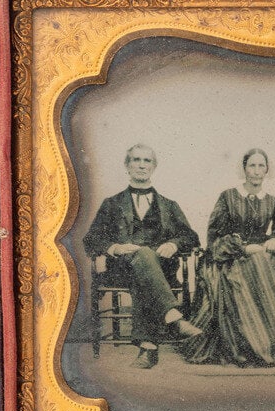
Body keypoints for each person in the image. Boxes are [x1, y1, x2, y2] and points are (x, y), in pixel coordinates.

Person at [181, 148, 275, 366]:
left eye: (261, 166)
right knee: (256, 266)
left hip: (262, 258)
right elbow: (214, 236)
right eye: (252, 166)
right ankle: (256, 347)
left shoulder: (272, 202)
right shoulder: (228, 197)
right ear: (244, 169)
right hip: (229, 259)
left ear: (267, 170)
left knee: (267, 265)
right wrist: (242, 248)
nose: (256, 171)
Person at [84, 143, 202, 369]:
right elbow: (91, 240)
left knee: (145, 261)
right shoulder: (112, 204)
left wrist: (173, 244)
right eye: (136, 160)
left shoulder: (169, 205)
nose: (141, 165)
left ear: (154, 166)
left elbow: (191, 237)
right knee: (143, 262)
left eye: (147, 161)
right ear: (127, 166)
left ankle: (149, 348)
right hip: (121, 269)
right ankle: (172, 316)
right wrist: (115, 247)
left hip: (161, 271)